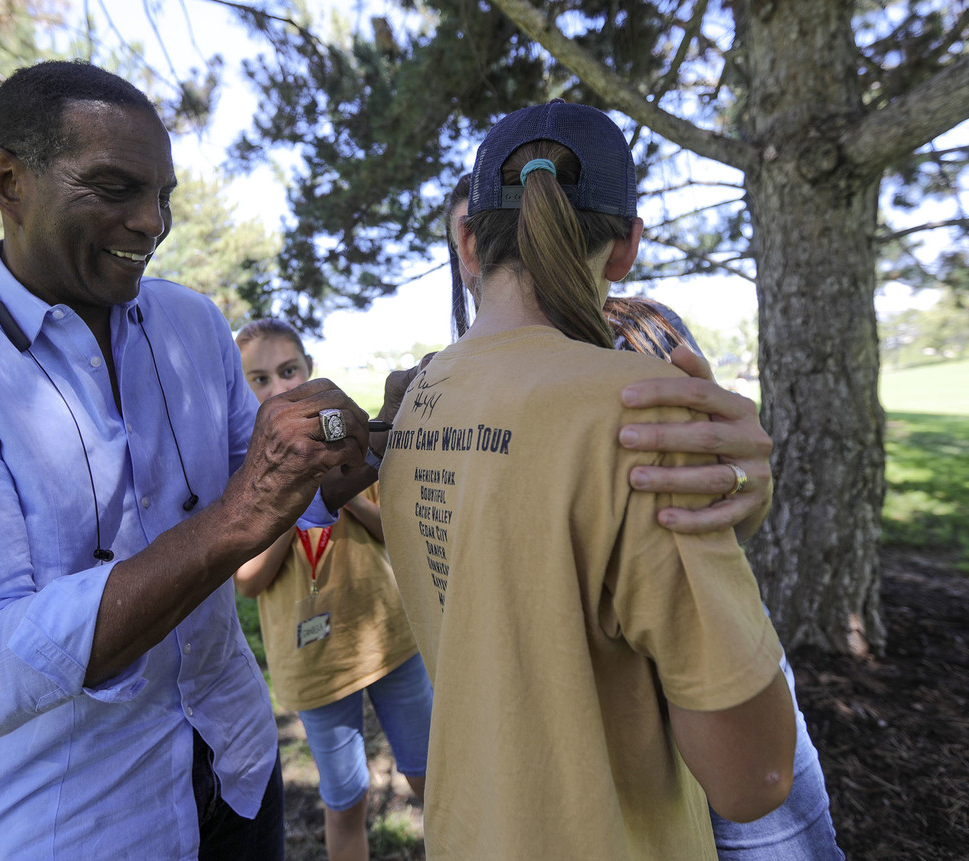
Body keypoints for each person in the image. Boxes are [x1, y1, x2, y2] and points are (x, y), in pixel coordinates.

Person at [0, 61, 379, 860]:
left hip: (239, 771)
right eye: (115, 186)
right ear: (7, 180)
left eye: (164, 196)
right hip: (76, 828)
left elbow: (266, 479)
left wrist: (345, 453)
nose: (152, 222)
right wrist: (237, 518)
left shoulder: (191, 321)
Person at [379, 101, 800, 858]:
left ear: (470, 240)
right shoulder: (642, 414)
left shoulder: (415, 401)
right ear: (626, 246)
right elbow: (755, 777)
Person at [450, 171, 845, 860]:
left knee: (778, 841)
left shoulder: (646, 332)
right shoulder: (442, 386)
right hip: (580, 712)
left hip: (709, 651)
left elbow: (709, 487)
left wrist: (742, 484)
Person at [234, 319, 433, 861]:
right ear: (237, 384)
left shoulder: (340, 444)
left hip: (389, 641)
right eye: (258, 378)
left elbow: (394, 532)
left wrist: (345, 493)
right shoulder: (241, 470)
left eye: (289, 370)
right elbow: (247, 580)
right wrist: (293, 506)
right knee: (344, 799)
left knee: (436, 779)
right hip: (315, 664)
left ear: (309, 371)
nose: (277, 387)